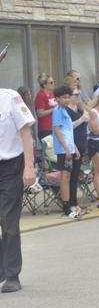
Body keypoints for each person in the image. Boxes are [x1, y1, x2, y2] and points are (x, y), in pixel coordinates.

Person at [0, 87, 36, 293]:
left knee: (8, 220)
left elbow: (25, 132)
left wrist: (29, 167)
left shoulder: (10, 97)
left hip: (11, 166)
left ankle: (12, 274)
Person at [51, 86, 80, 219]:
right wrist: (67, 149)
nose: (67, 99)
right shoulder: (57, 111)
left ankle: (69, 205)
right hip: (63, 151)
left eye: (68, 97)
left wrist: (75, 148)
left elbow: (69, 132)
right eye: (64, 97)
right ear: (57, 99)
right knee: (64, 179)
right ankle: (66, 207)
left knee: (68, 178)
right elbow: (57, 131)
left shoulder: (65, 111)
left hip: (69, 148)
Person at [65, 86, 89, 216]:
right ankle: (71, 204)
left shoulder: (79, 109)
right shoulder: (67, 111)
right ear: (69, 97)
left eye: (79, 94)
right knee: (72, 177)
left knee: (76, 177)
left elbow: (88, 120)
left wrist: (85, 115)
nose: (78, 97)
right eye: (75, 95)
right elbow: (68, 128)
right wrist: (81, 120)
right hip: (73, 146)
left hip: (81, 144)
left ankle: (74, 202)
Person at [34, 73, 57, 141]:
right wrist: (54, 109)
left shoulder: (52, 94)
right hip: (45, 129)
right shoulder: (40, 95)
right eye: (51, 82)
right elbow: (40, 113)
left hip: (54, 126)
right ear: (44, 85)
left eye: (54, 82)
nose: (53, 84)